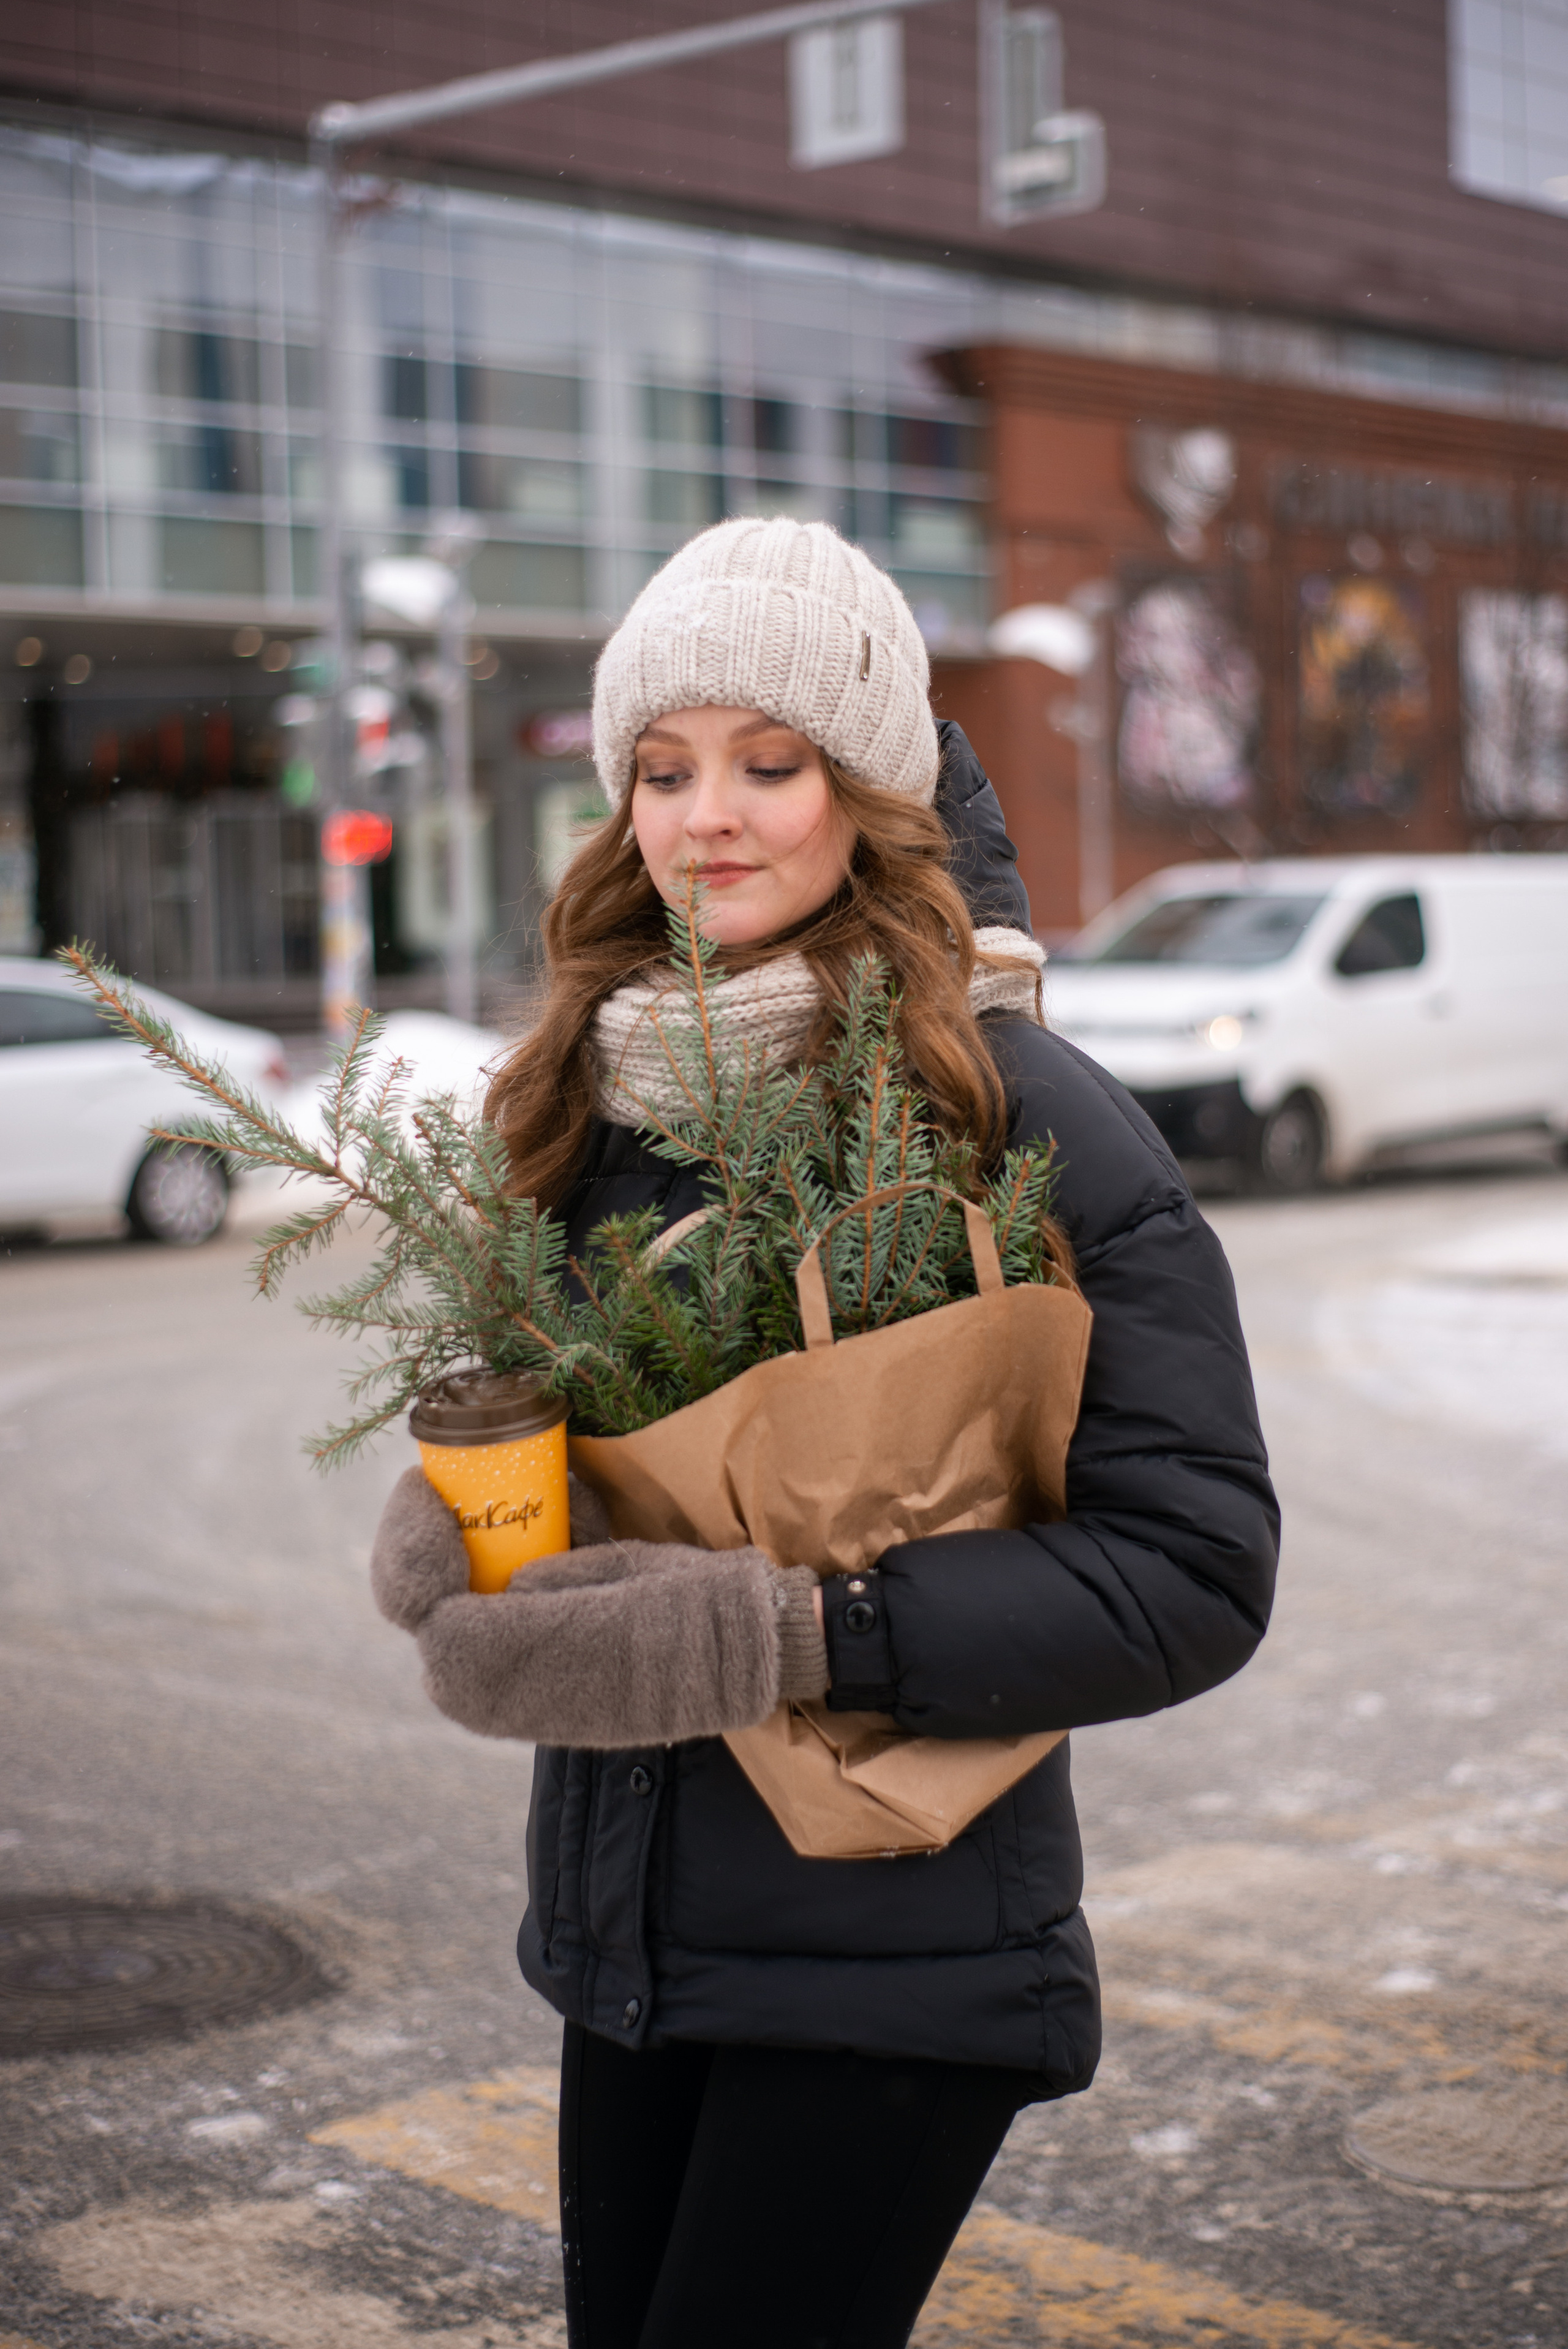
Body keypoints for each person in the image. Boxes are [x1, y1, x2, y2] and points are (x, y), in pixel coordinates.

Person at [369, 518, 1280, 2349]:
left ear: (868, 788)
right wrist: (464, 1524)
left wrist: (797, 1634)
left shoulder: (1017, 1109)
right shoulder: (591, 1089)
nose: (709, 815)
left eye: (770, 765)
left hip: (901, 1954)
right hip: (628, 1939)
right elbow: (593, 1463)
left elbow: (1193, 1566)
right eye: (663, 766)